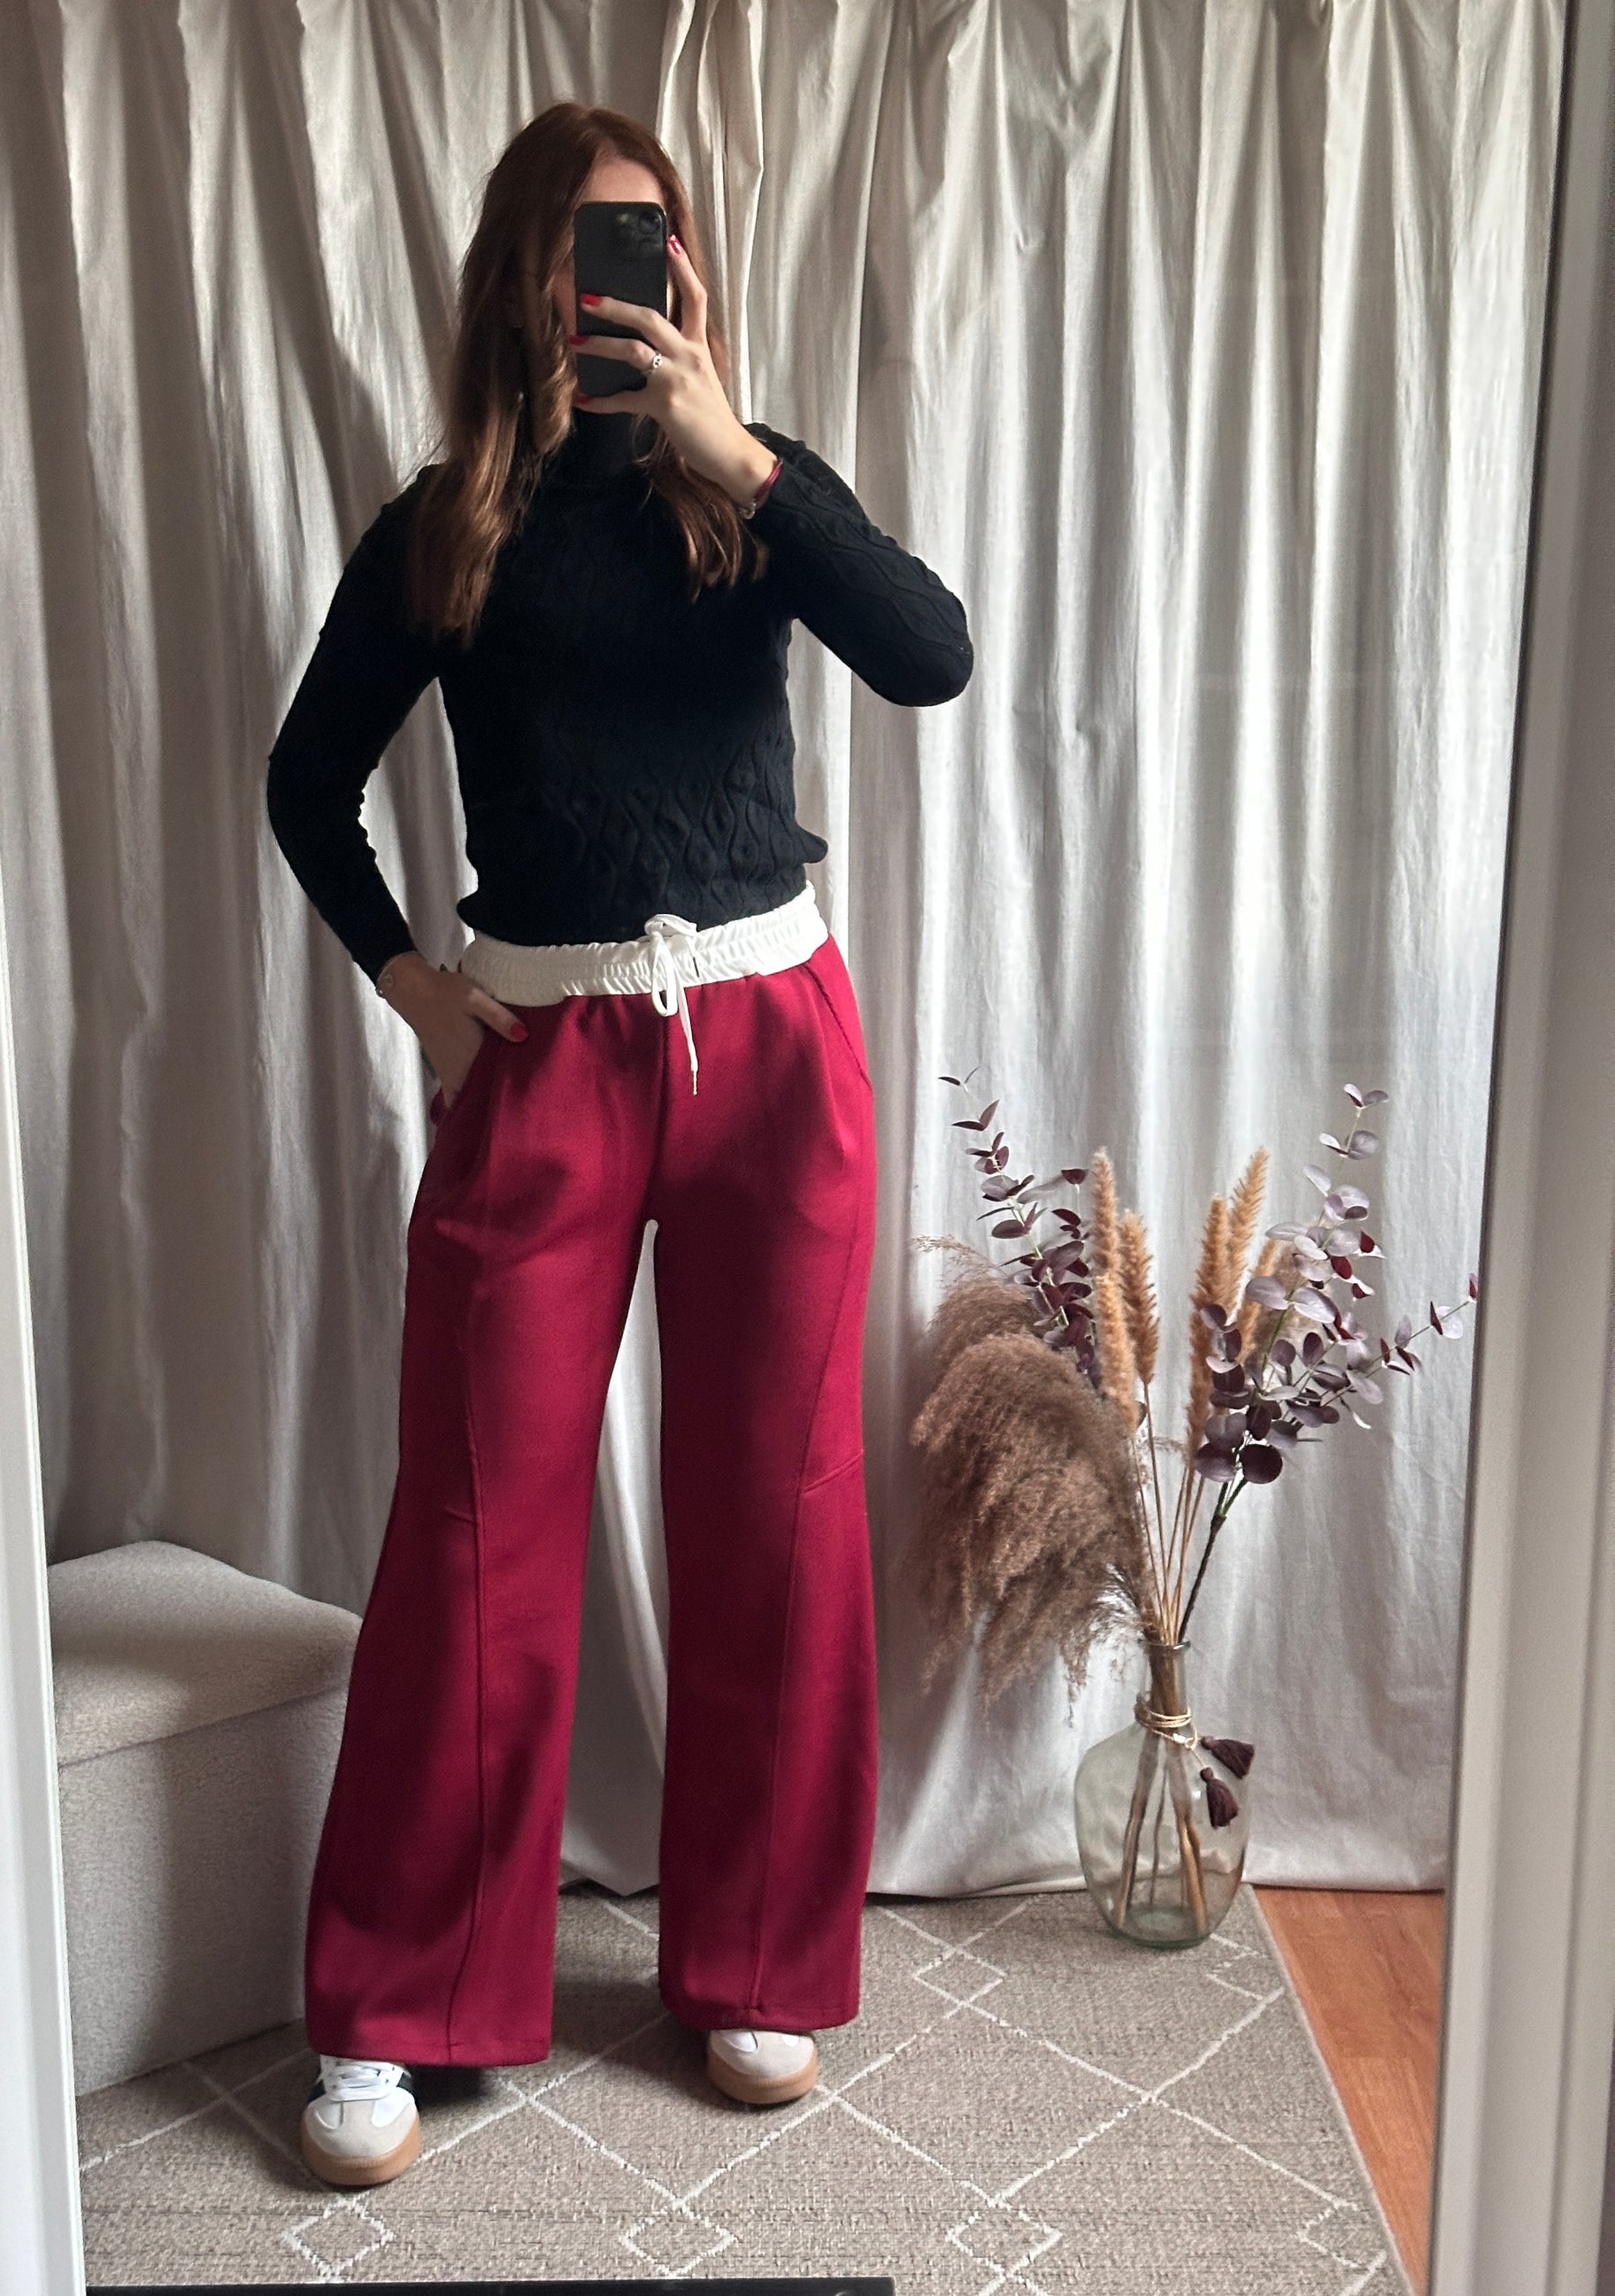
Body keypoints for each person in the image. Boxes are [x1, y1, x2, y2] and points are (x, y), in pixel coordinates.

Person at [265, 98, 973, 2190]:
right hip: (543, 1048)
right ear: (518, 277)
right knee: (473, 1522)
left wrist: (740, 455)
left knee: (780, 1507)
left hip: (772, 1035)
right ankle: (401, 1993)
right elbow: (308, 778)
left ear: (687, 274)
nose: (616, 287)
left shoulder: (749, 493)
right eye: (584, 249)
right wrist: (413, 983)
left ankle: (756, 1959)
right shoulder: (442, 530)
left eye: (648, 247)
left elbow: (930, 652)